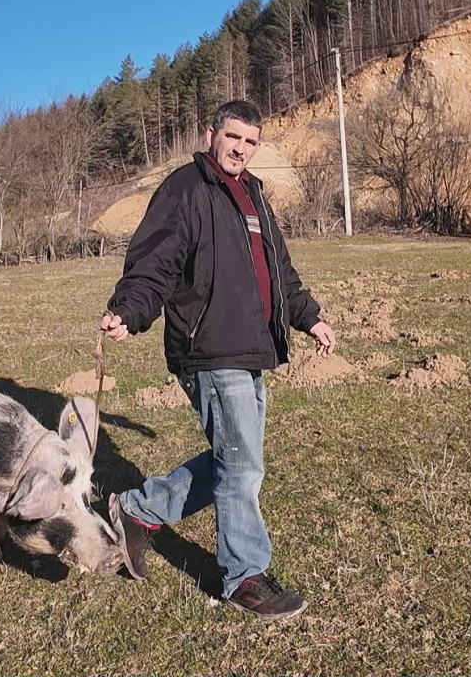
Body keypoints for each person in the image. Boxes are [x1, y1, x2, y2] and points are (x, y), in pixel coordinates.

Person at [99, 99, 336, 622]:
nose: (240, 148)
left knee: (235, 458)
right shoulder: (185, 189)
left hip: (251, 347)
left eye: (251, 142)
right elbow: (154, 260)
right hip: (209, 349)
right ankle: (244, 577)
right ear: (212, 134)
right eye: (233, 137)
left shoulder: (253, 196)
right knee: (243, 465)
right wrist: (130, 309)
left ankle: (138, 510)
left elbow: (279, 272)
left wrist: (309, 317)